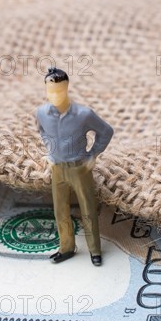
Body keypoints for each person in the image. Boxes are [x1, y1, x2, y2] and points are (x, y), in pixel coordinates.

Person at [36, 67, 114, 266]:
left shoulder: (83, 114)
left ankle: (95, 250)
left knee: (87, 208)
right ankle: (66, 247)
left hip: (80, 167)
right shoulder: (42, 113)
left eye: (59, 90)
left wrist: (93, 155)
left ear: (67, 88)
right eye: (50, 90)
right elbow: (42, 131)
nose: (54, 95)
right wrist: (51, 150)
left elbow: (106, 131)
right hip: (57, 168)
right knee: (60, 210)